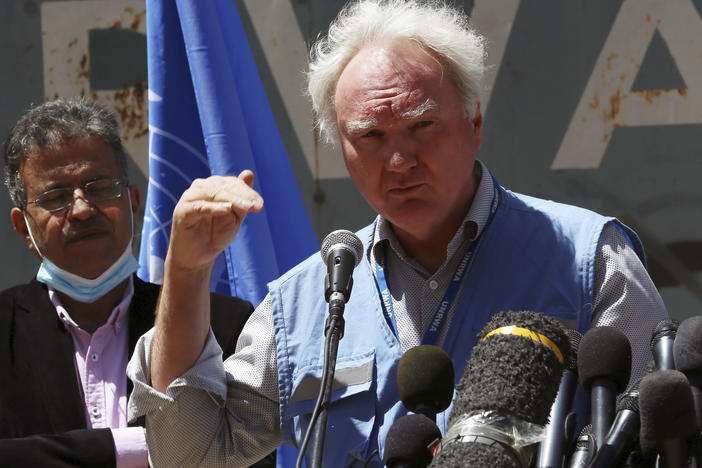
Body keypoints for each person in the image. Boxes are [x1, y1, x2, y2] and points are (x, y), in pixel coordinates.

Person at [127, 1, 669, 466]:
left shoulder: (587, 257)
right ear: (340, 147)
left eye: (421, 126)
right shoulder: (303, 305)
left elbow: (662, 438)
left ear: (474, 121)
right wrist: (187, 272)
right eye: (371, 136)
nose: (399, 160)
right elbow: (191, 455)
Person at [0, 97, 257, 467]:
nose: (83, 208)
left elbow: (252, 457)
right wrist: (136, 449)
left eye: (99, 186)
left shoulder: (225, 324)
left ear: (134, 201)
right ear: (22, 226)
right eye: (56, 197)